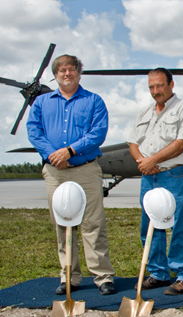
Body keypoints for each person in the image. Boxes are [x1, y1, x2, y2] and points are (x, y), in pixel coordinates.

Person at [26, 54, 116, 295]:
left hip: (85, 169)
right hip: (55, 171)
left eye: (72, 70)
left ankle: (103, 276)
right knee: (63, 224)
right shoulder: (42, 103)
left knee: (93, 223)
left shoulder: (94, 101)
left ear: (79, 73)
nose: (67, 74)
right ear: (56, 75)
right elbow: (34, 131)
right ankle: (69, 276)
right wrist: (54, 155)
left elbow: (98, 132)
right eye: (62, 70)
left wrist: (70, 151)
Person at [126, 68, 183, 295]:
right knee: (149, 224)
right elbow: (132, 142)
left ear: (171, 84)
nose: (155, 91)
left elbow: (182, 143)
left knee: (180, 225)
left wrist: (152, 160)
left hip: (174, 174)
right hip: (149, 175)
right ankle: (158, 273)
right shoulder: (144, 112)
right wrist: (142, 161)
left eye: (160, 85)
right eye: (151, 87)